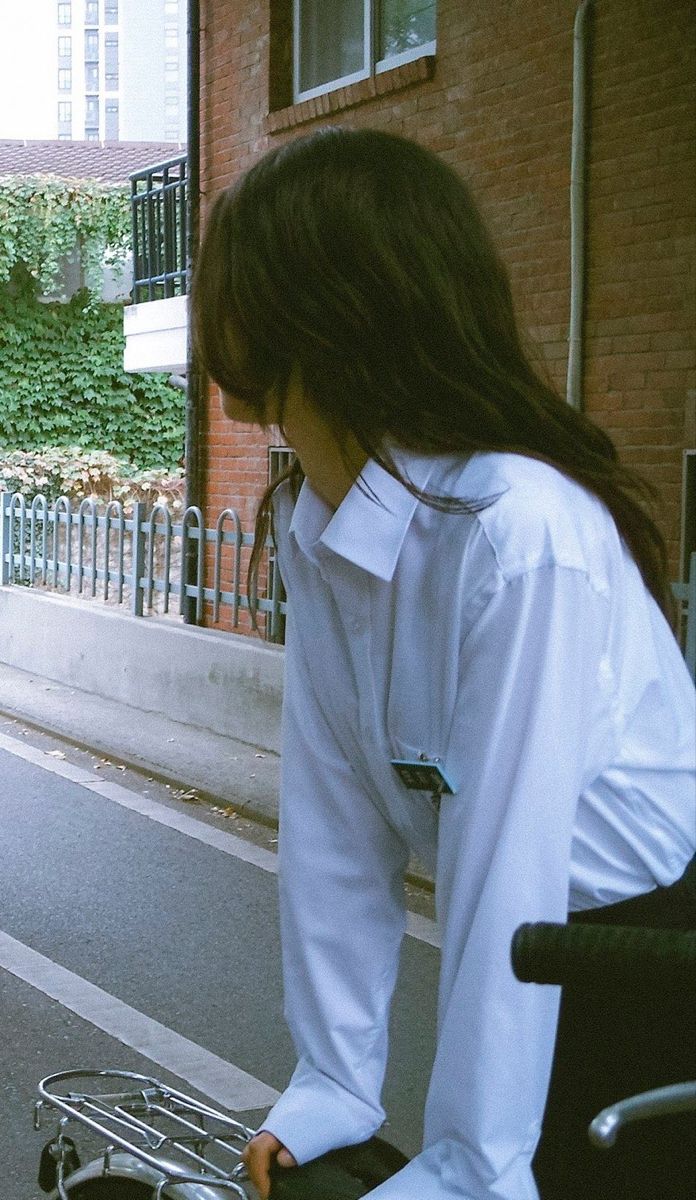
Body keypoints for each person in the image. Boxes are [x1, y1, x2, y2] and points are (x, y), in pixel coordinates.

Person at [192, 127, 696, 1200]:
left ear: (322, 307)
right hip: (534, 940)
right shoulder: (314, 518)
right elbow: (331, 820)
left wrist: (470, 1166)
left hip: (644, 953)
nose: (211, 313)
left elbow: (509, 870)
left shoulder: (520, 533)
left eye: (233, 281)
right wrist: (333, 1083)